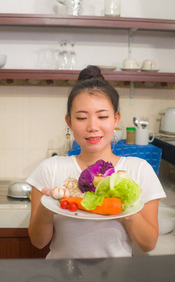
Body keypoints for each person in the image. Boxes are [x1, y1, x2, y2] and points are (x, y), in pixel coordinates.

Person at [27, 77, 166, 259]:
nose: (92, 127)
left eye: (102, 116)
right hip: (62, 274)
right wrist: (47, 208)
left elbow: (148, 244)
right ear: (69, 121)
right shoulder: (49, 169)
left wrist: (126, 208)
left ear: (116, 119)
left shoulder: (138, 170)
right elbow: (38, 242)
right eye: (81, 118)